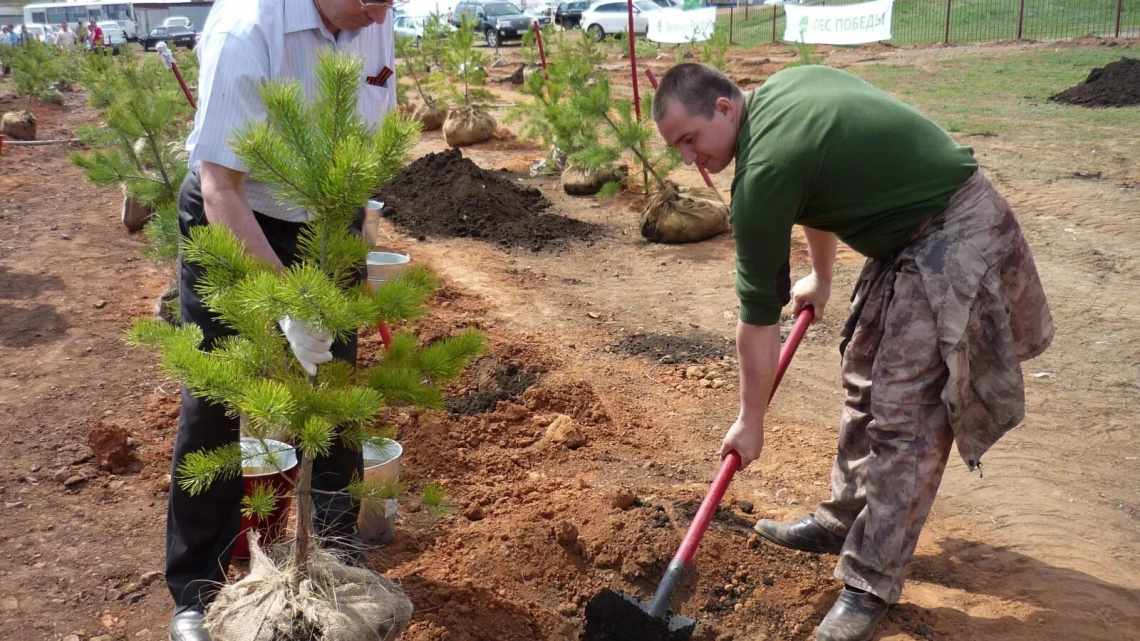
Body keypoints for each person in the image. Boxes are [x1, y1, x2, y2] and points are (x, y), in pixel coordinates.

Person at [652, 63, 1053, 641]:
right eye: (677, 149)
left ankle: (870, 584)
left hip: (955, 230)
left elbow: (757, 322)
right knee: (864, 372)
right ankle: (844, 520)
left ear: (723, 107)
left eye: (691, 140)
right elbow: (814, 193)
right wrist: (822, 278)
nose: (691, 159)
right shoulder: (780, 97)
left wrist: (750, 420)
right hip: (907, 233)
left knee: (905, 415)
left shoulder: (763, 168)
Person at [168, 1, 396, 640]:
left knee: (334, 390)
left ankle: (334, 551)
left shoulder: (375, 18)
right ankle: (196, 589)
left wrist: (348, 234)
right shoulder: (248, 29)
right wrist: (289, 302)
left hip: (324, 220)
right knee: (218, 394)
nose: (386, 13)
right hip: (238, 214)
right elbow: (220, 186)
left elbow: (368, 145)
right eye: (374, 0)